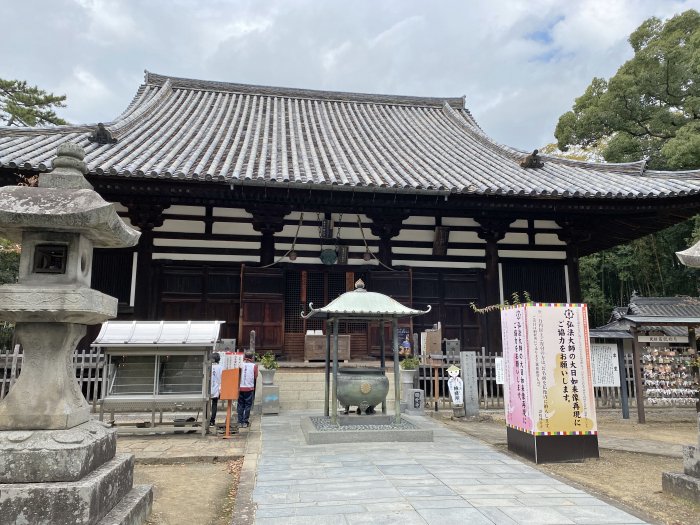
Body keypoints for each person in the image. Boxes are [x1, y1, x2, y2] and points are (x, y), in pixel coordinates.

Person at [237, 349, 258, 428]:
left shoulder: (240, 364)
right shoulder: (254, 366)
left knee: (240, 405)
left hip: (240, 387)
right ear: (252, 357)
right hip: (249, 388)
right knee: (248, 405)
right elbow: (255, 376)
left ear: (244, 357)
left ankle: (240, 421)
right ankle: (245, 422)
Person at [209, 352, 223, 429]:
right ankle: (212, 421)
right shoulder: (221, 367)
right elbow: (222, 378)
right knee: (214, 404)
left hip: (208, 387)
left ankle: (206, 419)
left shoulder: (208, 366)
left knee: (207, 404)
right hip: (216, 387)